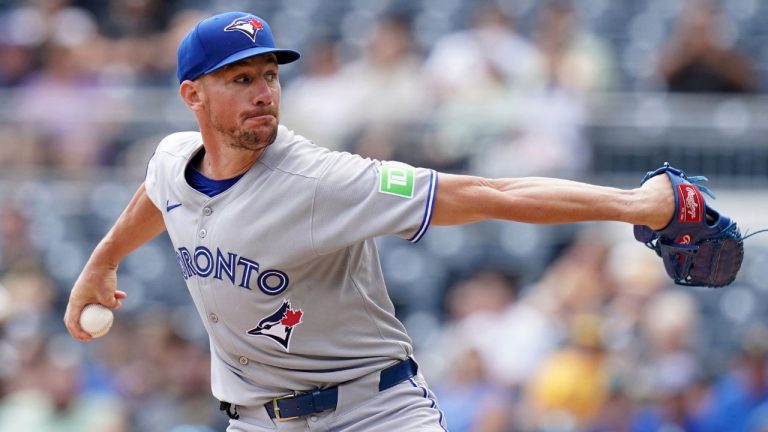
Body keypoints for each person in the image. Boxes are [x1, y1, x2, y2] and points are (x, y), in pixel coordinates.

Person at [64, 11, 675, 432]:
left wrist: (633, 204)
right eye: (242, 78)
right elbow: (158, 193)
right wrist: (102, 262)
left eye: (271, 76)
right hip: (256, 419)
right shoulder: (174, 159)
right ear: (192, 95)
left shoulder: (321, 180)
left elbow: (490, 191)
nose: (264, 93)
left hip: (373, 412)